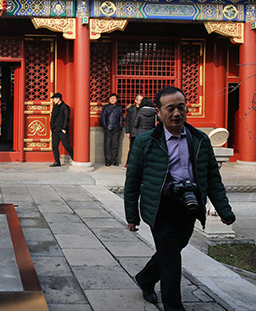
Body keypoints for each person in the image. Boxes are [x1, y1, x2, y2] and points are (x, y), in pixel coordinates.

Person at [124, 86, 235, 311]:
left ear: (187, 109)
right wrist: (131, 215)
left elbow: (213, 177)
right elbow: (132, 181)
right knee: (172, 258)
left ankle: (145, 278)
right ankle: (174, 306)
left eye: (181, 107)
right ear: (158, 111)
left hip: (189, 206)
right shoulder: (146, 141)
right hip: (159, 207)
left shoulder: (199, 139)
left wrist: (224, 210)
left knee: (173, 249)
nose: (176, 113)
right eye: (170, 108)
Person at [49, 92, 74, 167]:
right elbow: (52, 117)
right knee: (54, 146)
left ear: (58, 99)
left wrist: (64, 128)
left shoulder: (64, 107)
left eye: (54, 99)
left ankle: (74, 158)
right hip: (55, 129)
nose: (53, 100)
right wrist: (52, 127)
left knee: (66, 145)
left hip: (62, 130)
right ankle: (57, 161)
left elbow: (66, 118)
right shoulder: (55, 107)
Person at [100, 93, 124, 166]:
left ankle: (114, 160)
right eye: (111, 98)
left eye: (114, 98)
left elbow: (121, 118)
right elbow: (103, 118)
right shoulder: (106, 107)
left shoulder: (119, 108)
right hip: (108, 128)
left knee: (115, 145)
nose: (112, 100)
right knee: (107, 145)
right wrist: (105, 126)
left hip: (116, 128)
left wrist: (120, 126)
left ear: (116, 100)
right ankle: (108, 160)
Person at [124, 94, 143, 168]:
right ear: (136, 101)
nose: (141, 101)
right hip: (133, 131)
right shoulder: (131, 109)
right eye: (140, 100)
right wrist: (127, 131)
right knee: (132, 148)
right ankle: (128, 163)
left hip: (141, 131)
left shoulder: (143, 109)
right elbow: (127, 121)